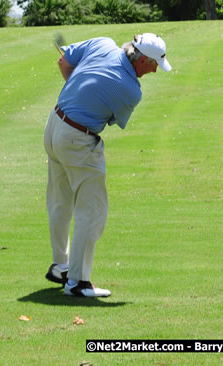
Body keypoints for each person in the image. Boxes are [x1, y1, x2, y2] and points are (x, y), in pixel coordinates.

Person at [44, 33, 172, 298]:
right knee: (92, 211)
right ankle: (77, 282)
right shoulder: (130, 90)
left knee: (61, 199)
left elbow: (63, 62)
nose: (156, 70)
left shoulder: (102, 43)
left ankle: (61, 265)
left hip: (54, 125)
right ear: (142, 60)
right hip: (77, 139)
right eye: (154, 64)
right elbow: (113, 120)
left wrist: (81, 89)